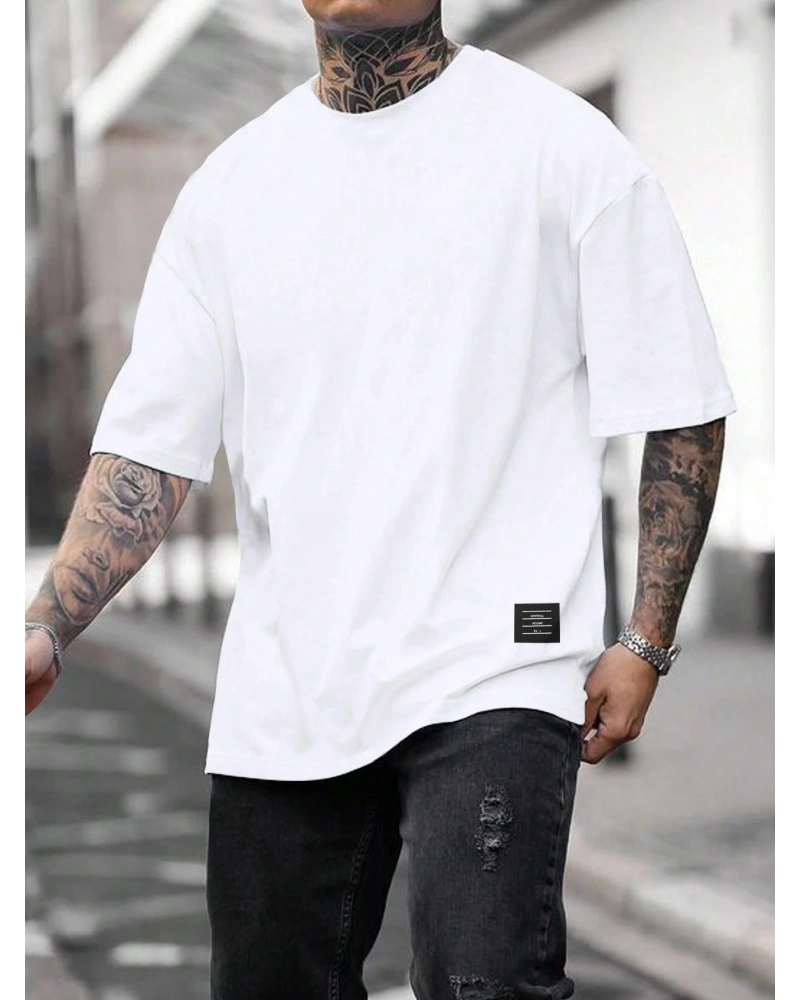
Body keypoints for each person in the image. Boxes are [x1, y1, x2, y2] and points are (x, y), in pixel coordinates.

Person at [24, 2, 737, 997]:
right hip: (291, 682)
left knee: (483, 979)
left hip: (497, 658)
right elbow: (150, 453)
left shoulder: (561, 147)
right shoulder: (231, 190)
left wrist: (645, 639)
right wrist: (49, 622)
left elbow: (680, 402)